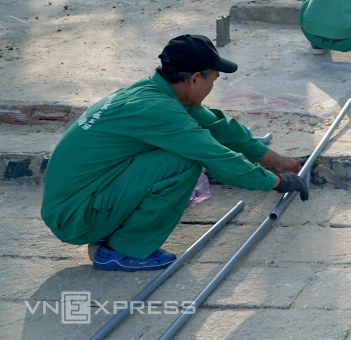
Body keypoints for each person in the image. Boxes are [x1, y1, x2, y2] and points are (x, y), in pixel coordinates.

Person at [41, 36, 309, 272]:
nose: (212, 86)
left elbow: (218, 128)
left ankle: (113, 231)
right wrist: (276, 182)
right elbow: (217, 157)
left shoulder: (155, 91)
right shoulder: (158, 110)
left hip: (78, 202)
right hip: (75, 218)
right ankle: (124, 249)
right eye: (213, 79)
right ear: (195, 79)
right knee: (183, 161)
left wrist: (280, 162)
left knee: (175, 152)